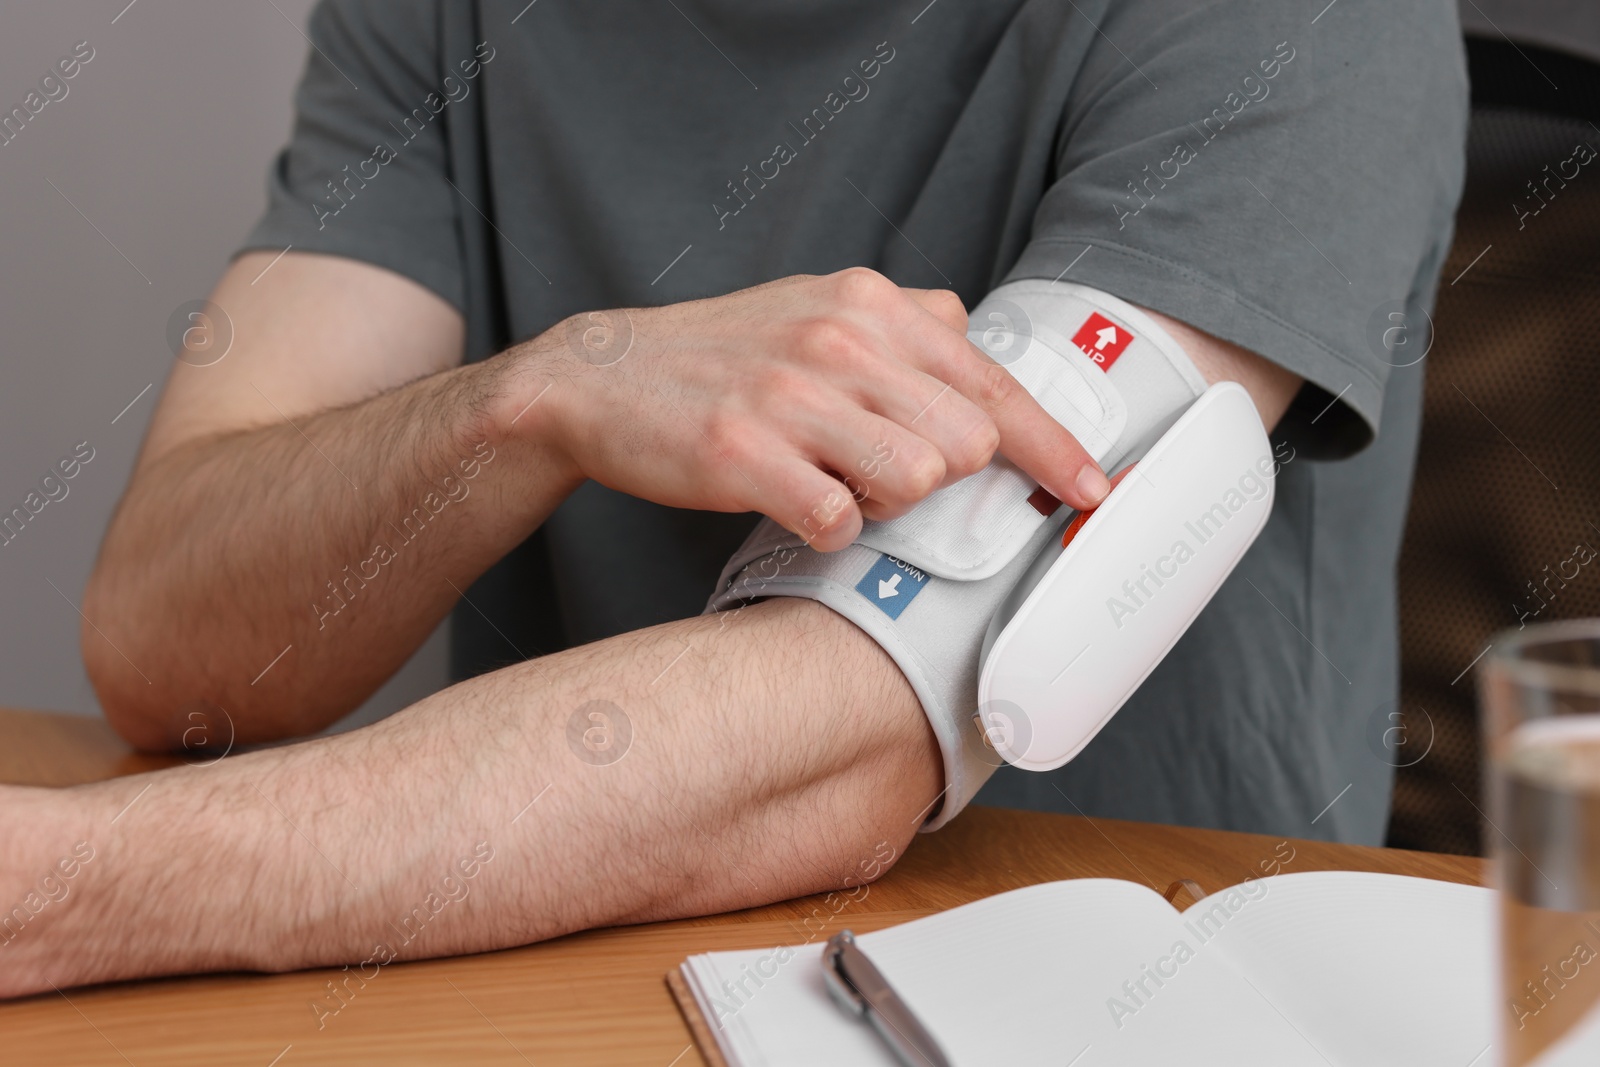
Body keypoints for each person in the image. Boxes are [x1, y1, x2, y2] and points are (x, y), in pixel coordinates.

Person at [0, 0, 1465, 997]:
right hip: (565, 972)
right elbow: (170, 641)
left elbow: (852, 733)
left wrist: (64, 889)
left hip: (1131, 1005)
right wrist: (542, 395)